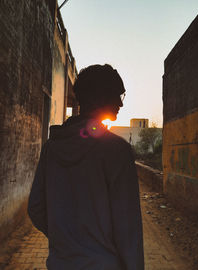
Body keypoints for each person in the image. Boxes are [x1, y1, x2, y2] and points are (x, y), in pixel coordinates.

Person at [28, 64, 144, 270]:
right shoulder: (117, 151)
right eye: (117, 95)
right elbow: (128, 230)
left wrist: (66, 238)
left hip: (60, 263)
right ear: (100, 98)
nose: (120, 103)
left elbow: (36, 208)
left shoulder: (51, 148)